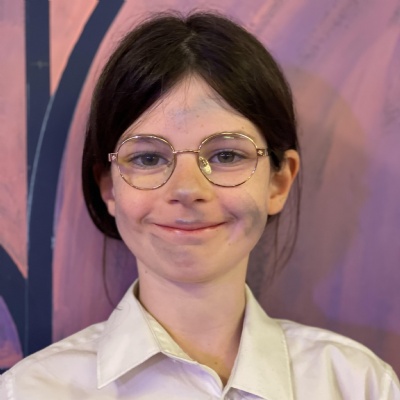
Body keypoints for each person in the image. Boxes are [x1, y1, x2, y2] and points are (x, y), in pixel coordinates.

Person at [1, 10, 399, 400]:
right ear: (108, 186)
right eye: (148, 158)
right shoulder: (33, 391)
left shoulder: (358, 385)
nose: (188, 189)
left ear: (279, 182)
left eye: (226, 155)